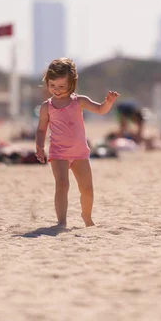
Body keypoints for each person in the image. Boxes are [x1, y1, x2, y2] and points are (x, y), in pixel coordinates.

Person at [35, 57, 120, 227]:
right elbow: (41, 129)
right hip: (58, 153)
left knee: (87, 188)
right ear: (47, 83)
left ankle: (87, 217)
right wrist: (39, 146)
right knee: (62, 185)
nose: (57, 90)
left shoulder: (79, 101)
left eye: (62, 86)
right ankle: (61, 221)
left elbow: (99, 109)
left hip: (80, 153)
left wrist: (108, 102)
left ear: (72, 83)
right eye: (52, 86)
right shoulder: (47, 106)